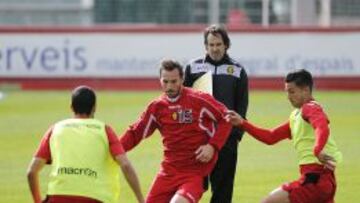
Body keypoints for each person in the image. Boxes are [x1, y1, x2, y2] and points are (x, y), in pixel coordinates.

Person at [120, 59, 232, 203]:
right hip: (168, 172)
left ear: (182, 79)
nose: (169, 86)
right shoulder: (157, 107)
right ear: (160, 80)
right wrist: (114, 149)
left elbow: (226, 118)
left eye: (174, 81)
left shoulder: (199, 99)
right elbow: (136, 133)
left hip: (195, 173)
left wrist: (212, 146)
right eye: (165, 82)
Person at [226, 69, 342, 203]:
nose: (288, 96)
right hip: (323, 180)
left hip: (315, 179)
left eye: (292, 91)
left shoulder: (310, 108)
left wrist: (317, 149)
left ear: (305, 90)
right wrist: (242, 123)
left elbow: (322, 127)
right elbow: (270, 137)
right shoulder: (296, 116)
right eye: (286, 91)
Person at [26, 86, 144, 203]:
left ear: (71, 107)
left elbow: (32, 172)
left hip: (58, 197)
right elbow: (125, 165)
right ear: (94, 108)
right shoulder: (104, 130)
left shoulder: (56, 129)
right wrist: (140, 200)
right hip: (97, 198)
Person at [184, 24, 248, 203]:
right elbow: (184, 104)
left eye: (218, 44)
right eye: (211, 45)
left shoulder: (237, 70)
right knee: (192, 186)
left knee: (223, 191)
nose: (215, 49)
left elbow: (242, 105)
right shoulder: (192, 68)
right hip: (197, 139)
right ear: (205, 46)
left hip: (226, 140)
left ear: (226, 45)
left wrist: (235, 135)